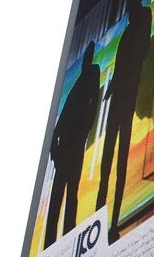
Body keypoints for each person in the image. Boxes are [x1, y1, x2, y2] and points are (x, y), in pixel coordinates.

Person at [96, 0, 152, 242]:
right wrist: (111, 88)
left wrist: (125, 82)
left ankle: (114, 220)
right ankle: (98, 218)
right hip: (117, 97)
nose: (128, 10)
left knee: (120, 160)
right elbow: (120, 64)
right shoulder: (128, 30)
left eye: (130, 5)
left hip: (128, 96)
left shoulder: (143, 18)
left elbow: (142, 52)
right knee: (108, 158)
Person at [45, 41, 100, 248]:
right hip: (66, 150)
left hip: (74, 147)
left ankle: (69, 240)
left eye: (89, 55)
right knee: (58, 198)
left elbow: (92, 105)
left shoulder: (91, 76)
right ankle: (50, 245)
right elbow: (63, 118)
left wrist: (85, 129)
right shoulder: (78, 86)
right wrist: (55, 150)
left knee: (71, 196)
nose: (87, 59)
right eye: (86, 56)